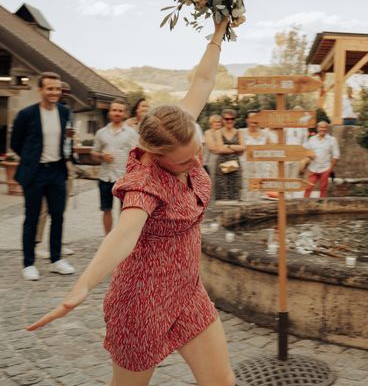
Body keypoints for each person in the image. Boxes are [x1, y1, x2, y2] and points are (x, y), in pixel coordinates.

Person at [26, 19, 235, 386]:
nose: (196, 163)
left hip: (186, 291)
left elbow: (202, 82)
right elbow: (123, 235)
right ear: (156, 155)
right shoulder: (144, 182)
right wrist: (83, 287)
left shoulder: (177, 128)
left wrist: (218, 34)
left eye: (198, 152)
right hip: (141, 302)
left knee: (222, 383)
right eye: (185, 161)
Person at [11, 72, 76, 280]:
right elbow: (16, 142)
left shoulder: (65, 112)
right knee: (32, 218)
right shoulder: (26, 114)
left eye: (57, 89)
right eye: (50, 88)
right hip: (36, 172)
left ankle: (56, 259)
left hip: (57, 171)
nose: (54, 92)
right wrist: (31, 160)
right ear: (40, 90)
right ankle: (28, 263)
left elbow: (67, 140)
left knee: (58, 217)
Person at [35, 81, 75, 259]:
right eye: (61, 90)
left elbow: (68, 137)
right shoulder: (48, 111)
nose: (62, 94)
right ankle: (37, 243)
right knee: (44, 207)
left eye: (64, 91)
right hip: (49, 164)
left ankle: (56, 244)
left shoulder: (67, 111)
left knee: (61, 206)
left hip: (65, 161)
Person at [91, 99, 138, 234]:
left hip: (124, 178)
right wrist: (101, 156)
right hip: (105, 177)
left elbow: (138, 153)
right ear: (109, 112)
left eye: (120, 111)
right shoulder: (101, 133)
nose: (117, 113)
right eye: (114, 110)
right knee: (106, 209)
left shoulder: (131, 133)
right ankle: (108, 238)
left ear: (125, 113)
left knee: (124, 211)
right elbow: (93, 152)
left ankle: (121, 240)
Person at [240, 111, 275, 201]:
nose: (254, 121)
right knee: (247, 191)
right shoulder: (241, 132)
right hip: (246, 167)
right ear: (247, 120)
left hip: (262, 168)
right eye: (252, 119)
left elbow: (272, 149)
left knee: (261, 192)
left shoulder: (265, 134)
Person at [211, 109, 245, 201]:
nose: (229, 121)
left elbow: (243, 148)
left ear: (234, 120)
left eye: (232, 119)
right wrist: (236, 148)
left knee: (235, 190)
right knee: (222, 192)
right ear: (223, 120)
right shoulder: (218, 132)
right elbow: (220, 148)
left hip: (236, 166)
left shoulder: (239, 132)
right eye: (227, 119)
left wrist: (228, 146)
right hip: (222, 166)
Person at [303, 121, 340, 198]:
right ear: (317, 128)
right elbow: (304, 150)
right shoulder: (312, 139)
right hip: (313, 168)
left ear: (327, 129)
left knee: (323, 189)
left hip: (325, 168)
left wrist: (330, 169)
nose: (322, 129)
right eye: (320, 127)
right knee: (308, 188)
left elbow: (336, 155)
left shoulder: (332, 140)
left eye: (324, 127)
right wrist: (309, 156)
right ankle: (305, 205)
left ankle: (321, 206)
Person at [203, 114, 222, 181]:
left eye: (219, 122)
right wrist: (225, 149)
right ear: (211, 123)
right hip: (210, 161)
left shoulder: (222, 132)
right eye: (216, 122)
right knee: (213, 181)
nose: (218, 123)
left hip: (222, 161)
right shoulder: (208, 133)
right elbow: (212, 148)